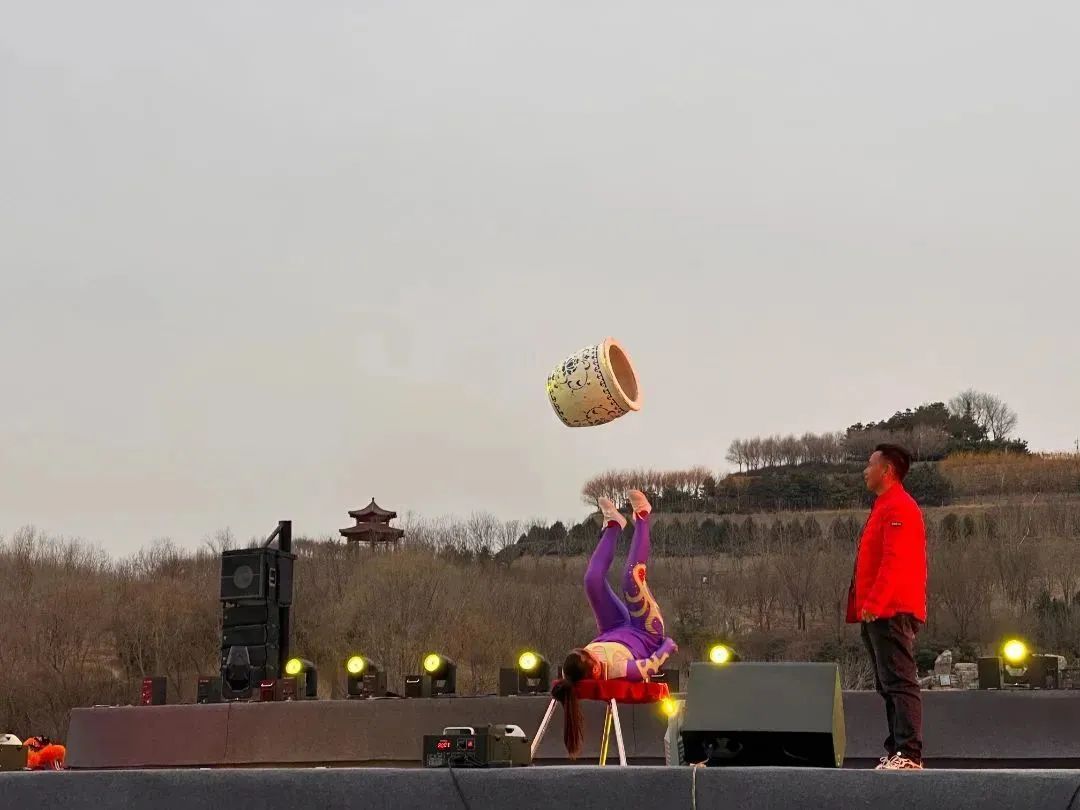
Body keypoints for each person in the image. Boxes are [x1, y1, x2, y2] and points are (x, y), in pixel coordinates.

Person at [552, 489, 678, 758]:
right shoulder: (616, 669)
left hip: (612, 630)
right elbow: (651, 665)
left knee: (592, 582)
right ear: (596, 670)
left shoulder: (573, 667)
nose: (597, 659)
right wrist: (667, 646)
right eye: (595, 663)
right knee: (630, 579)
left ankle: (613, 526)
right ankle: (642, 516)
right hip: (645, 633)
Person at [847, 443, 928, 770]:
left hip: (891, 610)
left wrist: (875, 602)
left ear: (887, 470)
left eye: (870, 464)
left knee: (899, 681)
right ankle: (898, 750)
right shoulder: (883, 506)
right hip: (878, 610)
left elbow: (894, 561)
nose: (865, 470)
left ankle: (909, 753)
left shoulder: (899, 507)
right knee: (887, 683)